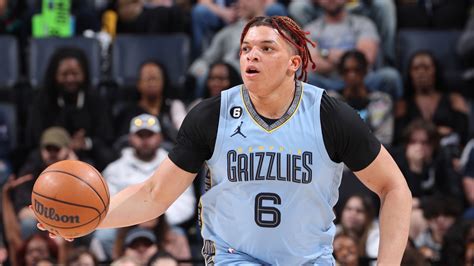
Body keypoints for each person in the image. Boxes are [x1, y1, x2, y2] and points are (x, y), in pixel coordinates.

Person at [39, 15, 411, 264]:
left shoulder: (330, 115)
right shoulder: (211, 114)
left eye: (267, 48)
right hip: (234, 257)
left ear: (294, 63)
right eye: (246, 48)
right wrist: (91, 219)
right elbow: (154, 196)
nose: (252, 55)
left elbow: (395, 189)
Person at [24, 47, 115, 171]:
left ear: (84, 74)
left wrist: (85, 142)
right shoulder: (42, 101)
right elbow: (34, 137)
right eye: (64, 74)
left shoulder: (96, 101)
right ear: (55, 75)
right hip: (50, 154)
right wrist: (60, 146)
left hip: (86, 154)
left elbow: (105, 136)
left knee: (105, 157)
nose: (70, 79)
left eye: (75, 74)